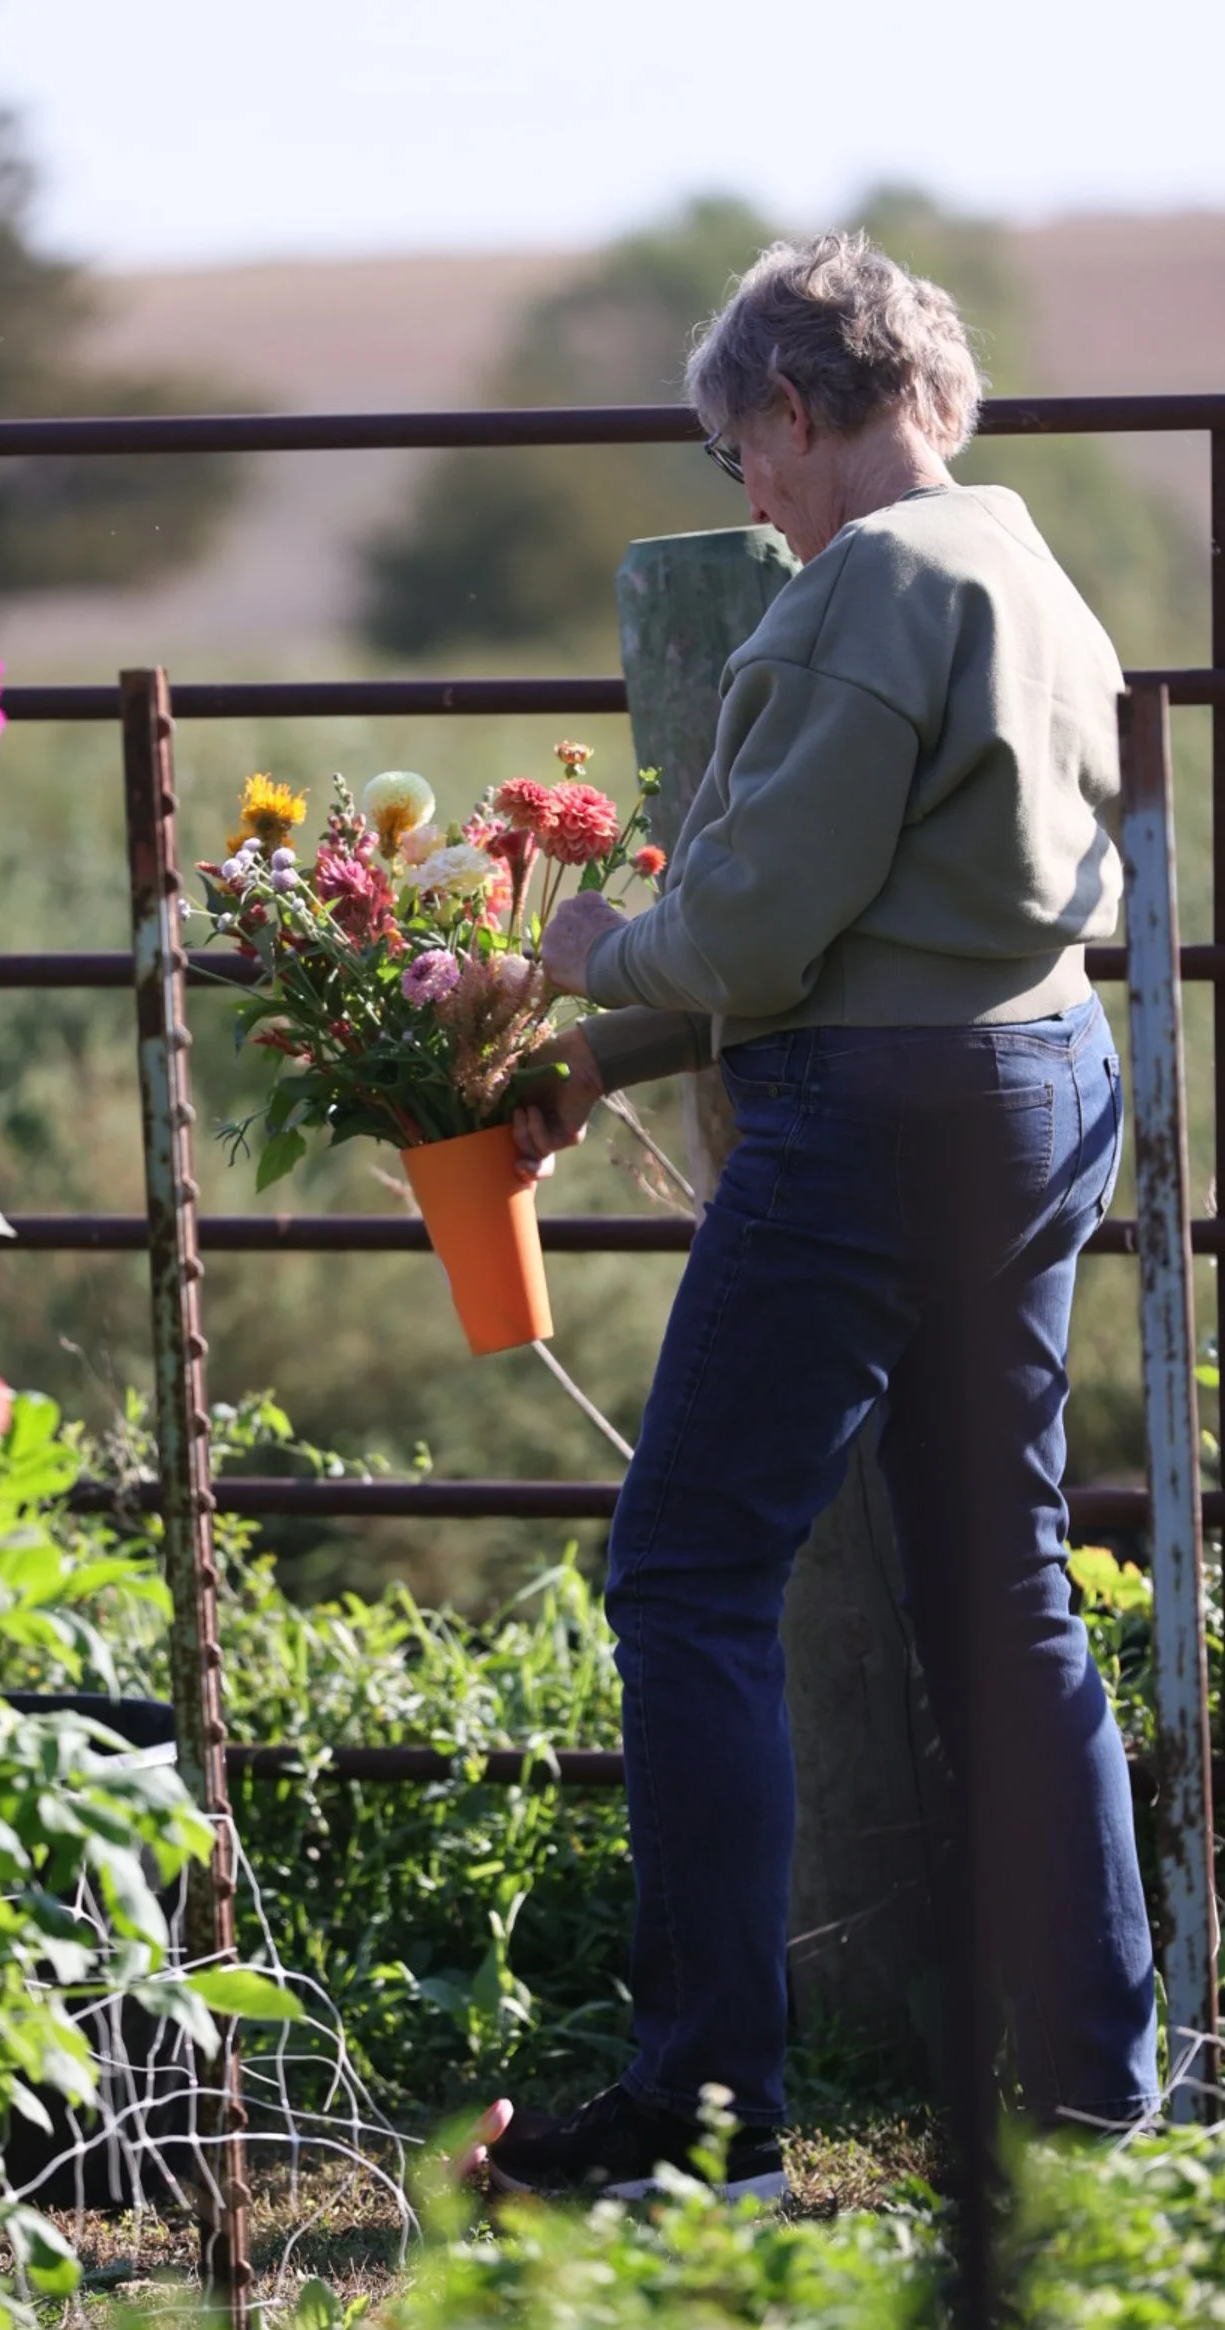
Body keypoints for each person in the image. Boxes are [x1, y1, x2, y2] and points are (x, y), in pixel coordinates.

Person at [482, 230, 1158, 2205]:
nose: (750, 502)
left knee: (687, 1571)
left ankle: (710, 2129)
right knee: (1003, 1585)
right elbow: (895, 920)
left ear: (795, 404)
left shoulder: (866, 588)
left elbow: (764, 934)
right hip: (1038, 1085)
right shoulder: (1037, 580)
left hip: (869, 1124)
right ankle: (1103, 2102)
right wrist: (595, 1075)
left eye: (738, 458)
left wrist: (599, 953)